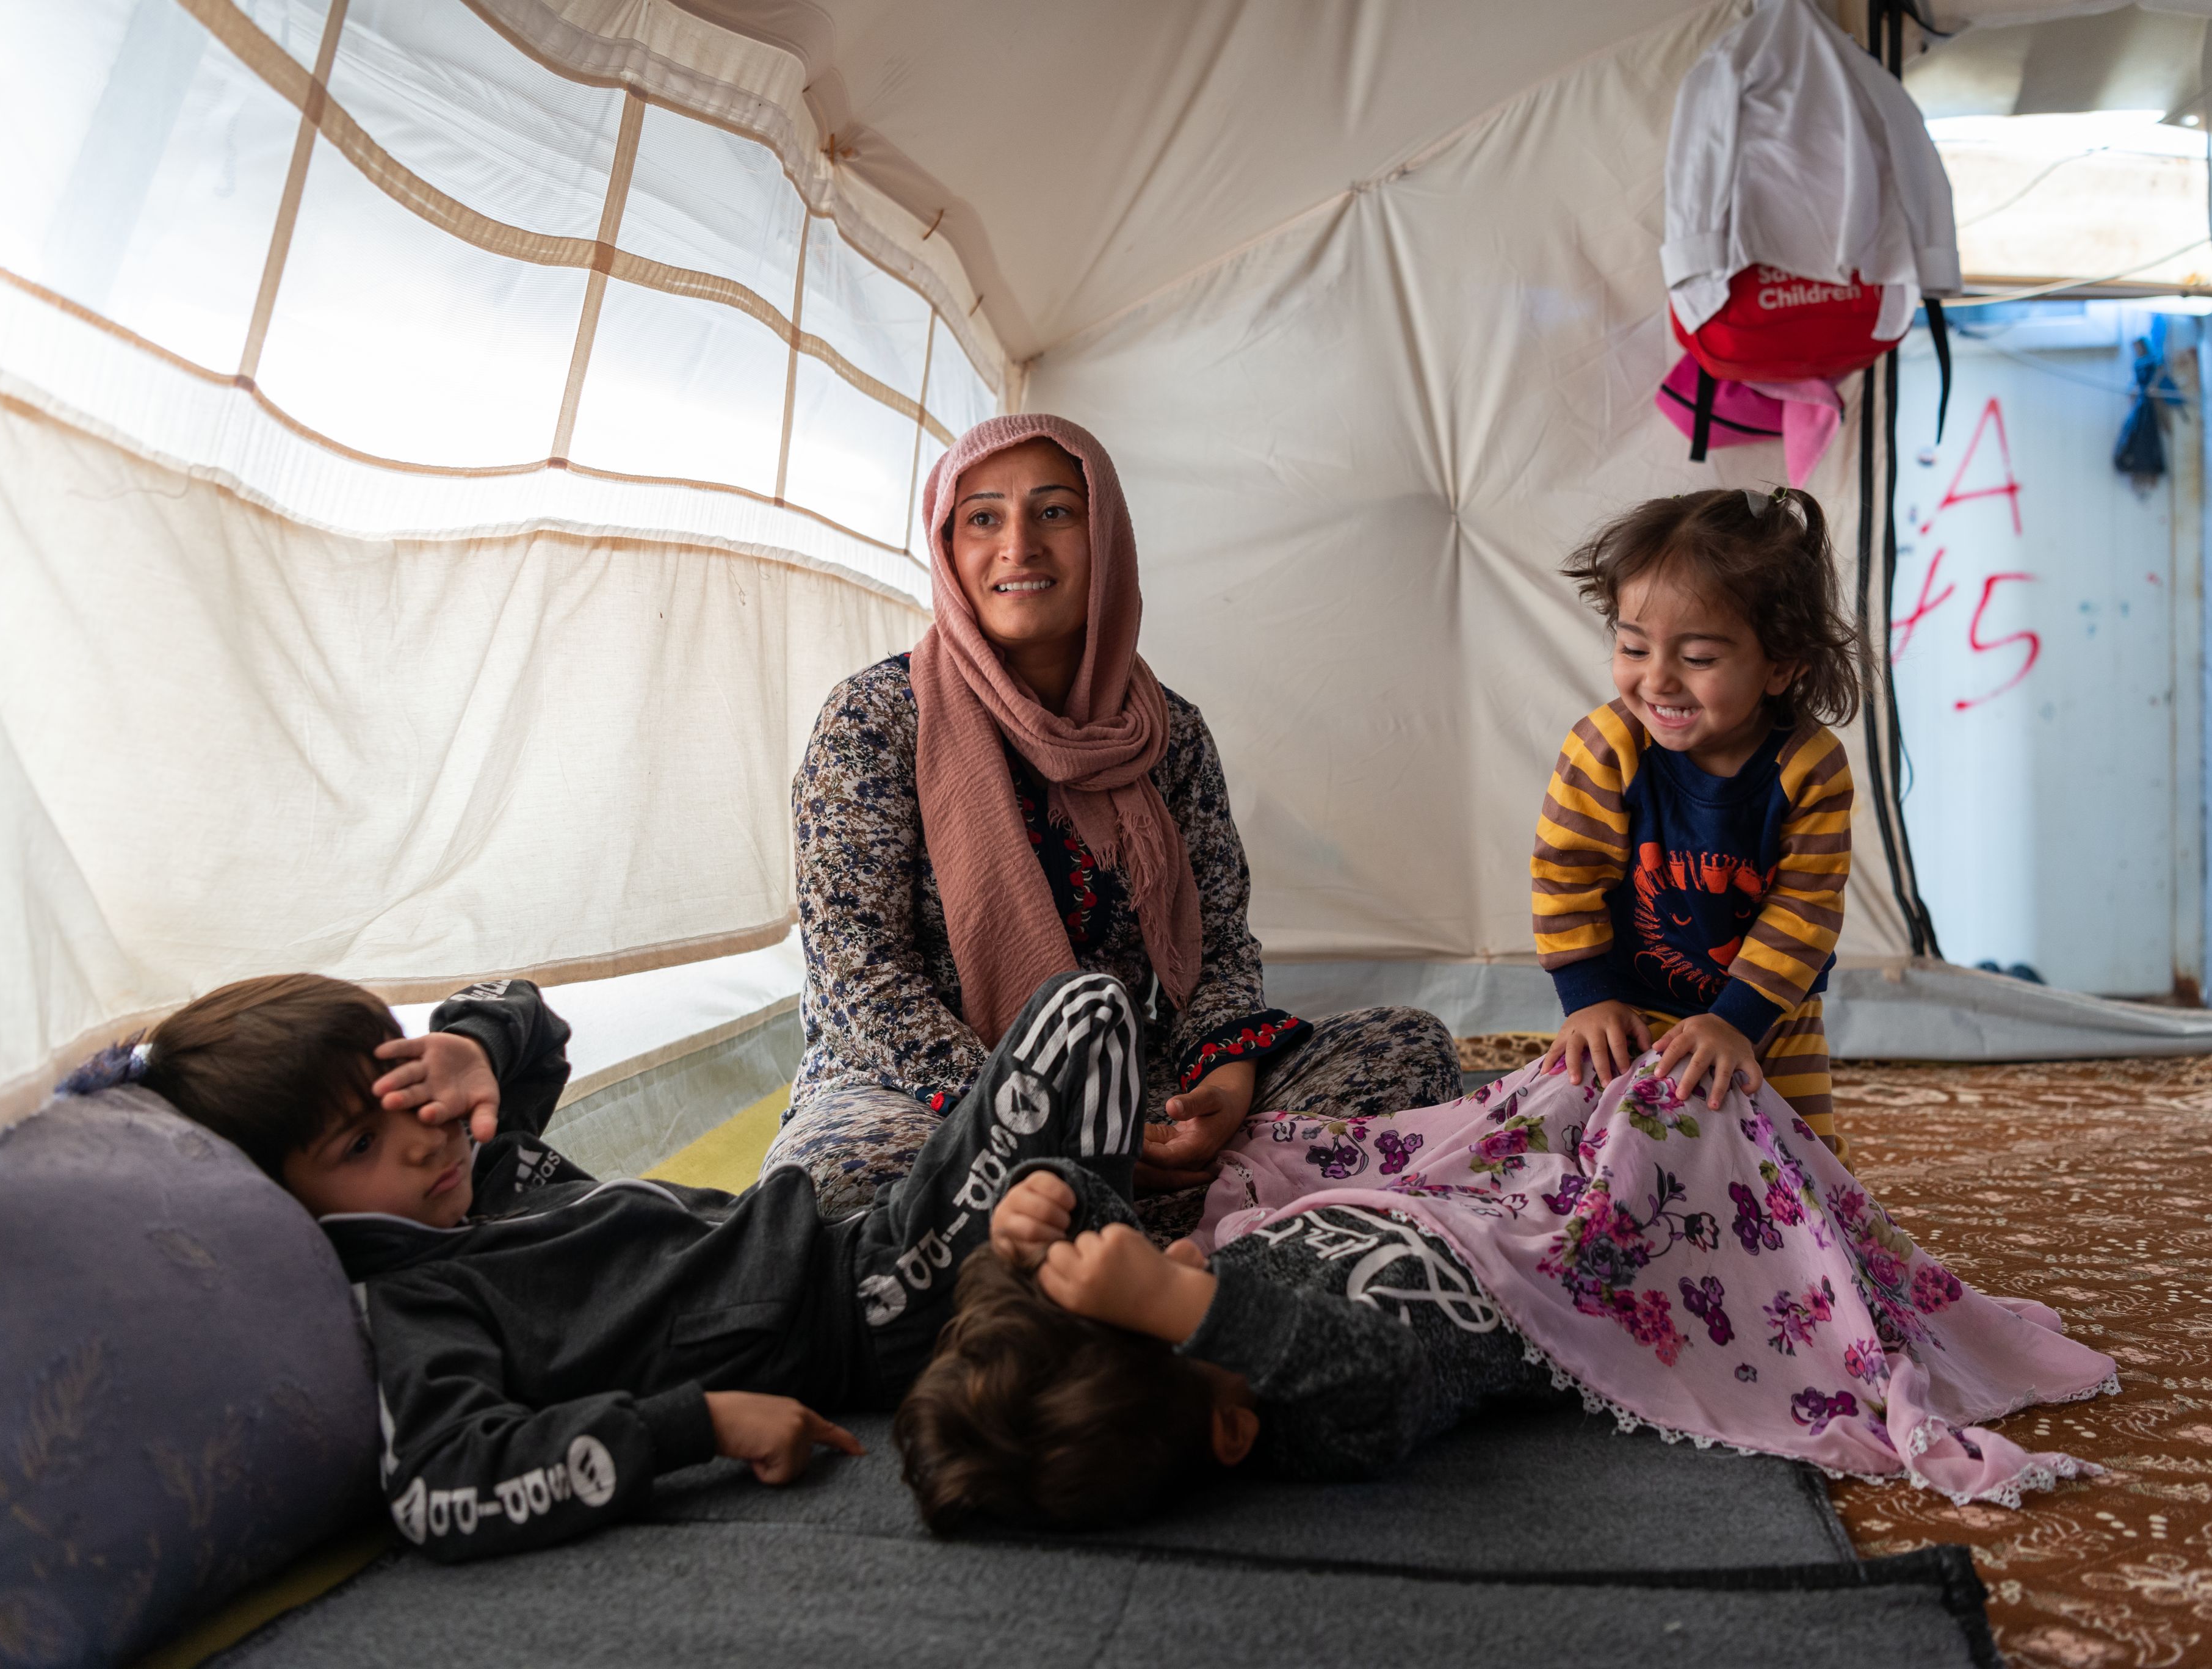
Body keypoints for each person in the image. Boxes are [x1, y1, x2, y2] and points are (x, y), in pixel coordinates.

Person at [85, 966, 1146, 1561]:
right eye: (358, 1145)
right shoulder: (417, 1294)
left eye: (403, 1095)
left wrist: (473, 1049)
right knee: (1083, 1014)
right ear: (286, 1200)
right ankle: (1097, 1299)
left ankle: (1076, 1285)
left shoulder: (474, 1169)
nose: (422, 1135)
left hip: (843, 1240)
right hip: (857, 1302)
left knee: (1076, 1053)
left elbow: (533, 1015)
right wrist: (701, 1418)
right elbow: (443, 1483)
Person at [892, 1045, 2121, 1530]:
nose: (1167, 1257)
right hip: (1545, 1263)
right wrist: (1182, 1304)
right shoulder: (1325, 1416)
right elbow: (1368, 1370)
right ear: (1227, 1418)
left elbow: (1122, 1266)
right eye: (1158, 1293)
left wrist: (1052, 1202)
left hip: (1418, 1190)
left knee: (1537, 1083)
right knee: (1675, 1107)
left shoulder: (1195, 1336)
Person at [775, 413, 1458, 1231]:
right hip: (920, 1097)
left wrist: (1225, 1071)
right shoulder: (877, 720)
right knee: (834, 1188)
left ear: (1108, 539)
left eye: (1055, 512)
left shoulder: (1167, 734)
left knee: (1407, 1052)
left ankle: (1102, 1239)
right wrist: (1047, 1123)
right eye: (984, 517)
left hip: (1127, 1084)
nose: (1018, 545)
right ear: (948, 548)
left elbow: (1219, 946)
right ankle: (1191, 1235)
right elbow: (864, 983)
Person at [1530, 487, 1860, 1155]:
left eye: (1699, 658)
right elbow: (1566, 877)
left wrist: (1737, 1022)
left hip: (1770, 1014)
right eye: (1632, 646)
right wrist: (1588, 999)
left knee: (1802, 1159)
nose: (1656, 680)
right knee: (1617, 1151)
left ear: (1780, 665)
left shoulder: (1811, 767)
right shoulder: (1603, 749)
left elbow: (1805, 908)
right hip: (1631, 1006)